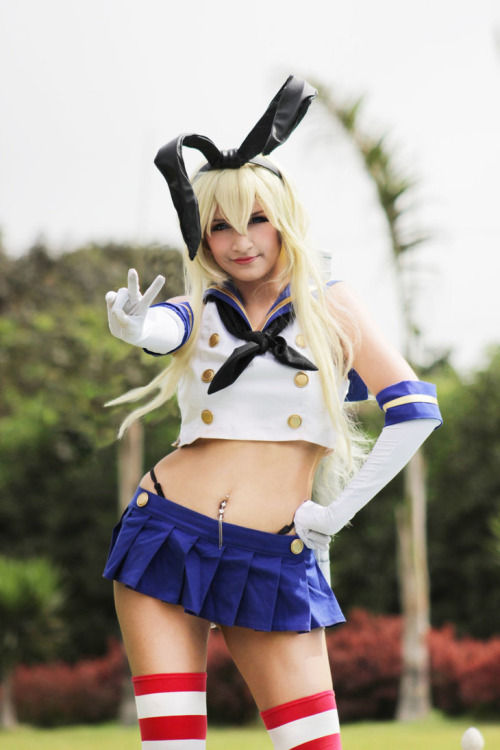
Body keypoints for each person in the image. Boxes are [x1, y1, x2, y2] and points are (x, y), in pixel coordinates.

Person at [103, 76, 442, 750]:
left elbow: (415, 410)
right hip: (165, 534)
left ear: (284, 219)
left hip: (273, 553)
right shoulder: (201, 306)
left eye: (256, 219)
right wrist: (137, 327)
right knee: (172, 743)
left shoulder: (329, 302)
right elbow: (166, 329)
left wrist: (336, 514)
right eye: (219, 227)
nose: (240, 241)